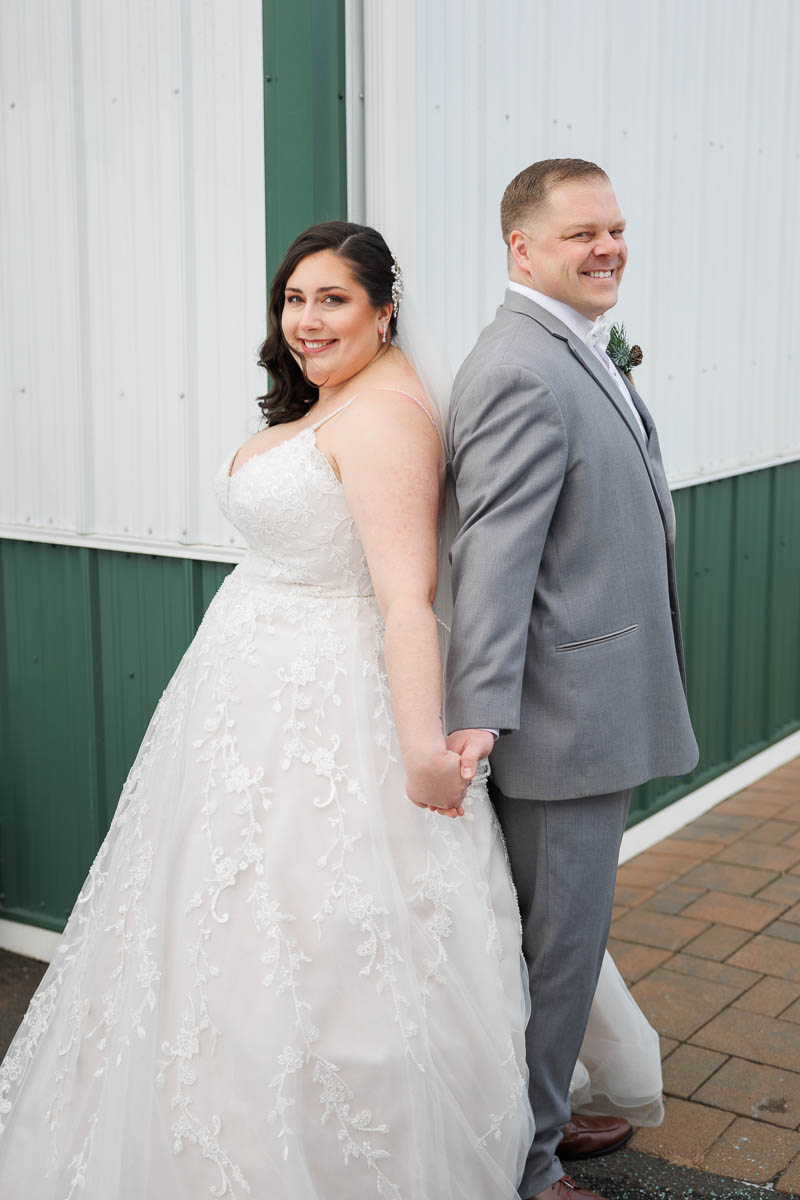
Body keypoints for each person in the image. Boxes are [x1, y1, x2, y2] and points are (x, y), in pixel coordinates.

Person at [0, 219, 662, 1200]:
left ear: (385, 309)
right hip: (242, 697)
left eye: (333, 299)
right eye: (294, 299)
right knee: (219, 923)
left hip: (331, 703)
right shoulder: (335, 398)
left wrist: (419, 751)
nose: (306, 320)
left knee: (335, 929)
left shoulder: (386, 416)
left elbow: (405, 601)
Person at [444, 159, 699, 1200]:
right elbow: (492, 561)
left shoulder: (573, 346)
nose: (607, 248)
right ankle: (529, 1164)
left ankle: (538, 1117)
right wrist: (480, 718)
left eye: (615, 228)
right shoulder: (519, 367)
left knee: (564, 948)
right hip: (560, 724)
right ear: (522, 248)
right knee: (555, 957)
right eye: (581, 233)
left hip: (591, 707)